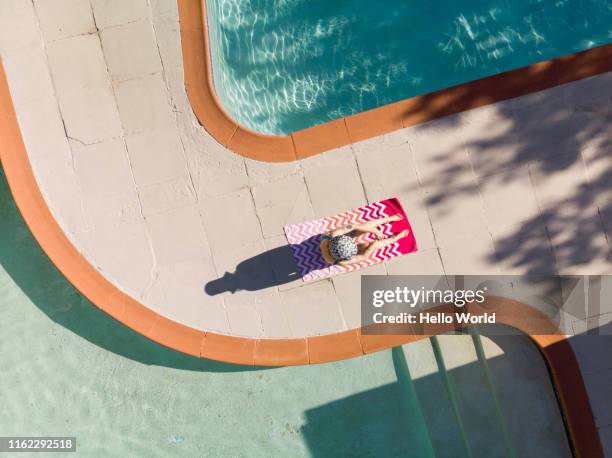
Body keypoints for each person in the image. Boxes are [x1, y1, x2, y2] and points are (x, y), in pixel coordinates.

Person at [319, 214, 409, 266]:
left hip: (333, 240)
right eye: (355, 244)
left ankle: (387, 219)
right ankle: (395, 238)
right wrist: (372, 246)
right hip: (338, 250)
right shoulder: (341, 261)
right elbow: (363, 257)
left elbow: (354, 226)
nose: (355, 242)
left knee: (358, 230)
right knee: (367, 245)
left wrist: (374, 231)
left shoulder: (333, 234)